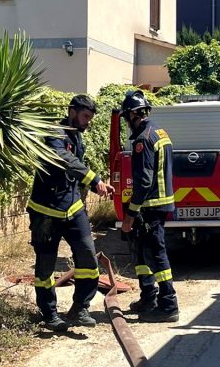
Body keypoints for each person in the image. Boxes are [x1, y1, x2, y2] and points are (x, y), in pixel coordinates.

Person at [28, 94, 115, 332]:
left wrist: (97, 184)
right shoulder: (53, 133)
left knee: (88, 256)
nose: (88, 122)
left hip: (73, 208)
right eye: (85, 116)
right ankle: (50, 314)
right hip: (45, 213)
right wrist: (94, 179)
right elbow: (65, 160)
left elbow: (75, 169)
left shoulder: (77, 138)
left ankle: (80, 307)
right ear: (72, 111)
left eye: (90, 118)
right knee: (45, 268)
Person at [120, 90, 179, 323]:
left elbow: (144, 182)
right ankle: (148, 298)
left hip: (150, 207)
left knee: (156, 254)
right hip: (160, 204)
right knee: (143, 251)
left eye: (127, 117)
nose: (127, 122)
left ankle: (168, 305)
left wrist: (131, 213)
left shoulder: (143, 139)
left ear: (135, 115)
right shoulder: (160, 133)